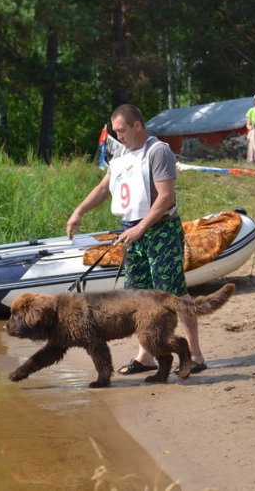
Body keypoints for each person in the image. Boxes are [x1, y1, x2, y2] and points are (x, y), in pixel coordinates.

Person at [66, 104, 207, 376]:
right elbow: (104, 187)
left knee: (174, 293)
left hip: (160, 230)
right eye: (115, 131)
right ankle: (146, 356)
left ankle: (196, 355)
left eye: (122, 130)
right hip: (132, 232)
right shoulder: (119, 153)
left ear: (137, 126)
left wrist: (141, 228)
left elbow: (166, 197)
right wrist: (78, 211)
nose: (118, 136)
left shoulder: (158, 151)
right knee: (138, 297)